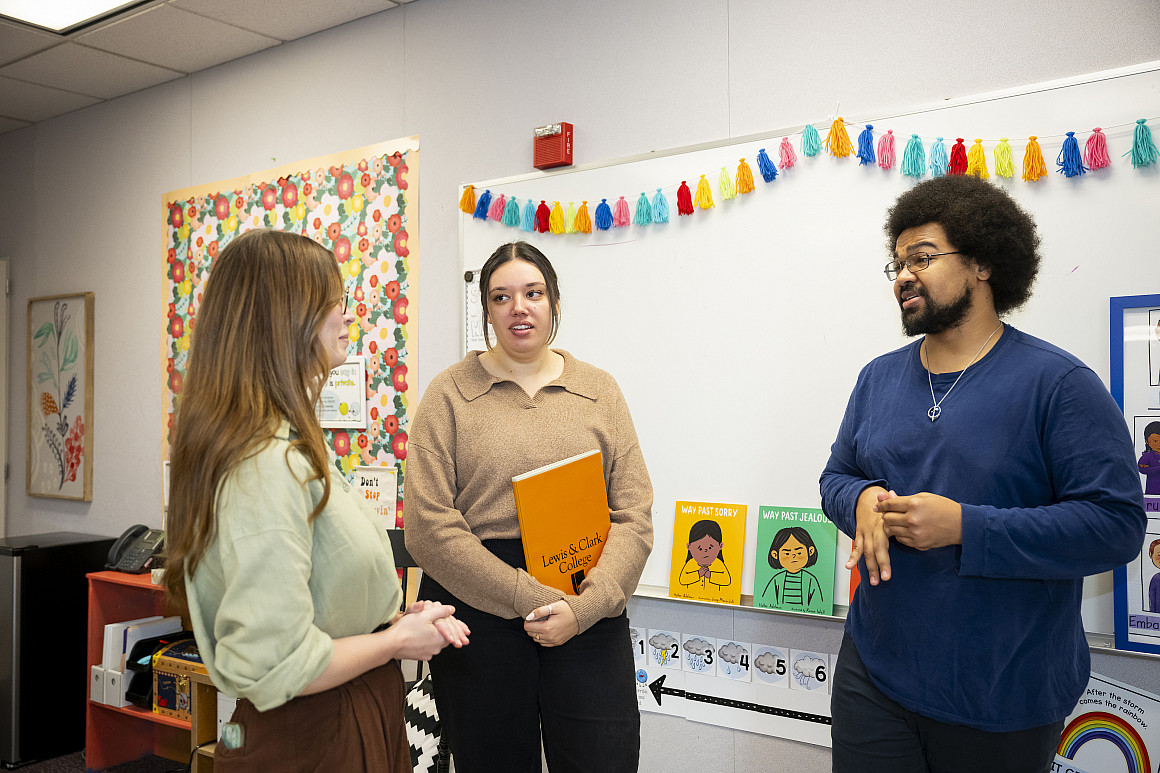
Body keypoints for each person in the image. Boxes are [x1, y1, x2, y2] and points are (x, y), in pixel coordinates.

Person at [819, 175, 1146, 773]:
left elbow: (1117, 526)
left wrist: (966, 527)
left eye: (922, 257)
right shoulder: (877, 379)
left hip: (1004, 694)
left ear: (983, 263)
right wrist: (861, 498)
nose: (902, 276)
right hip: (875, 673)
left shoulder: (1058, 385)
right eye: (896, 263)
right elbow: (835, 476)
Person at [162, 228, 468, 772]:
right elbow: (280, 661)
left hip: (349, 712)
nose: (345, 314)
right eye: (331, 301)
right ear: (288, 320)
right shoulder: (263, 462)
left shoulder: (290, 441)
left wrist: (390, 618)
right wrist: (394, 642)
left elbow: (312, 586)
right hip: (317, 733)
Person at [404, 241, 653, 773]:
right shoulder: (448, 395)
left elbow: (634, 515)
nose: (520, 307)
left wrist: (583, 608)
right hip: (480, 608)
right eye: (502, 296)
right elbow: (428, 527)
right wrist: (526, 595)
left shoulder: (599, 391)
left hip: (585, 603)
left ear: (554, 303)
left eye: (533, 293)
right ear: (488, 311)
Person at [762, 526, 823, 608]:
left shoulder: (811, 580)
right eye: (787, 553)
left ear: (810, 551)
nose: (793, 556)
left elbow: (818, 605)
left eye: (799, 553)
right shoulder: (776, 580)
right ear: (775, 555)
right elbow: (766, 602)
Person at [679, 519, 731, 589]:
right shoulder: (690, 563)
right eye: (700, 548)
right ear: (689, 546)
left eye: (710, 548)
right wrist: (698, 574)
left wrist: (709, 575)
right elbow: (683, 580)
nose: (705, 552)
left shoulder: (718, 563)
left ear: (720, 546)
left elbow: (726, 580)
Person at [1138, 420, 1160, 495]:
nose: (1159, 445)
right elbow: (1141, 469)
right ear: (1146, 441)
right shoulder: (1148, 456)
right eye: (1155, 441)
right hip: (1152, 490)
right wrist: (1157, 469)